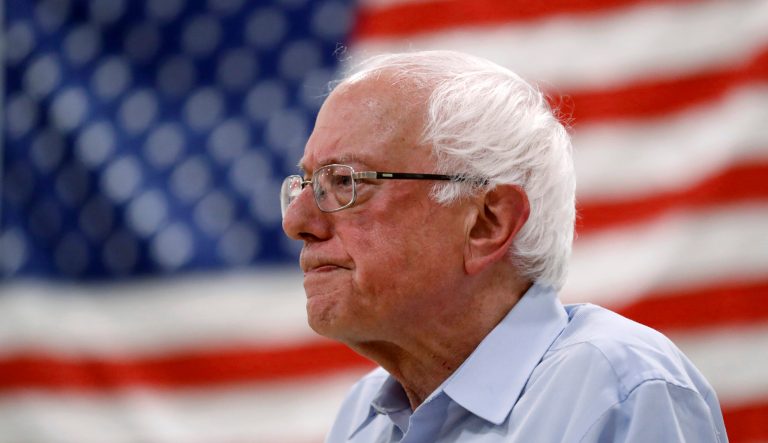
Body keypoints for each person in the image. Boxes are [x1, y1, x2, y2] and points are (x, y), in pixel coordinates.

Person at [280, 50, 727, 442]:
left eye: (345, 182)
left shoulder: (621, 390)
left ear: (487, 224)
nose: (296, 221)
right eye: (305, 184)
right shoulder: (364, 416)